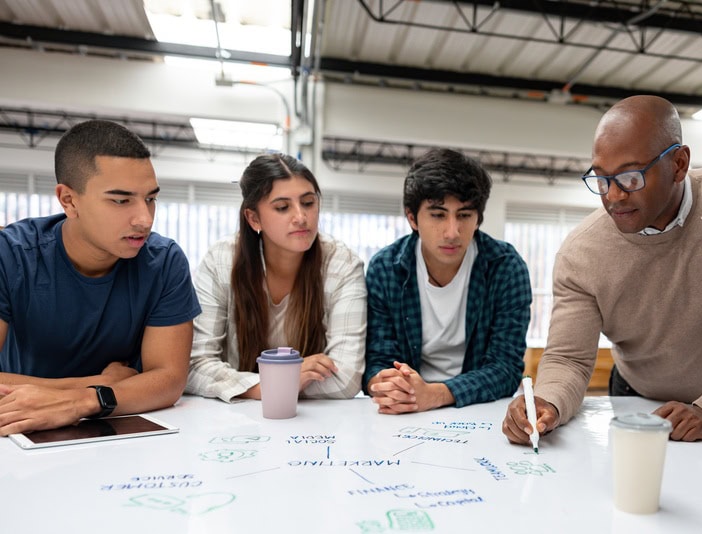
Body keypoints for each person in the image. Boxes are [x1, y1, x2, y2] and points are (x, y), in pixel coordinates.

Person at [503, 95, 702, 445]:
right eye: (600, 179)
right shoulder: (582, 253)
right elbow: (569, 357)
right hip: (637, 400)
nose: (612, 196)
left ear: (678, 163)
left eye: (630, 177)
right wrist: (546, 402)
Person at [0, 120, 201, 436]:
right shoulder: (10, 255)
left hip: (116, 425)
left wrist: (84, 401)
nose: (144, 219)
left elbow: (168, 380)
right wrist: (99, 385)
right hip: (20, 425)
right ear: (69, 200)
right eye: (121, 200)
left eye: (150, 198)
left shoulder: (164, 261)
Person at [363, 148, 532, 414]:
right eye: (438, 214)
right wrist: (388, 385)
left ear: (478, 218)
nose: (452, 232)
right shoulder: (386, 268)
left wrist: (435, 394)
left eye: (464, 215)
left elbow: (506, 368)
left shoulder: (505, 267)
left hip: (477, 409)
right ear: (412, 218)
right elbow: (377, 360)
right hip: (405, 408)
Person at [187, 154, 367, 402]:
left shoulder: (342, 264)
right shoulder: (220, 260)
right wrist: (280, 382)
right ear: (254, 218)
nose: (301, 217)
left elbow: (346, 379)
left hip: (313, 423)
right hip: (236, 420)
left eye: (308, 203)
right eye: (283, 207)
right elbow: (195, 365)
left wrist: (249, 386)